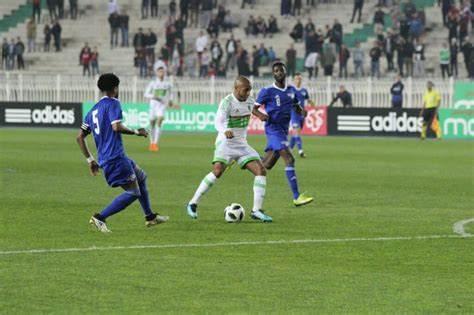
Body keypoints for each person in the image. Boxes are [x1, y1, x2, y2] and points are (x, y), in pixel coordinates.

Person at [77, 73, 169, 232]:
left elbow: (80, 137)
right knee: (134, 192)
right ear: (115, 88)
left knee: (141, 177)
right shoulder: (113, 103)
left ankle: (150, 217)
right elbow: (116, 127)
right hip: (115, 158)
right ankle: (100, 217)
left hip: (112, 157)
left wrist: (90, 160)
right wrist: (136, 132)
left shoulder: (92, 111)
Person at [186, 76, 271, 222]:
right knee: (218, 171)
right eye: (246, 90)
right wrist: (225, 130)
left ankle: (256, 210)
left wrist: (261, 115)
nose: (248, 92)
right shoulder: (227, 102)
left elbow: (253, 109)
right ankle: (192, 203)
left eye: (250, 89)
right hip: (226, 143)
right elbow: (217, 121)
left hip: (242, 144)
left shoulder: (250, 100)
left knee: (261, 171)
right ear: (236, 88)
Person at [252, 61, 314, 207]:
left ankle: (243, 156)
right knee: (290, 158)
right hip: (273, 129)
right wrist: (261, 115)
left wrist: (302, 112)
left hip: (283, 131)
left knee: (267, 164)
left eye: (281, 70)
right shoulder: (267, 91)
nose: (279, 73)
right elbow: (253, 108)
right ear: (273, 74)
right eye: (276, 71)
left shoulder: (291, 90)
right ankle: (297, 197)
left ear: (285, 73)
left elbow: (296, 106)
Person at [144, 67, 174, 152]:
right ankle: (152, 142)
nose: (161, 73)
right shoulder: (153, 83)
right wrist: (152, 96)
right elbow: (146, 94)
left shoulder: (167, 83)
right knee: (152, 123)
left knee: (160, 121)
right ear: (157, 73)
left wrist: (171, 100)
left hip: (161, 106)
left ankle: (155, 143)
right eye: (160, 72)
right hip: (153, 106)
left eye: (162, 72)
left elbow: (171, 92)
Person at [290, 73, 314, 158]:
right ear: (294, 80)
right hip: (294, 113)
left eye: (299, 79)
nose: (298, 80)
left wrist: (313, 104)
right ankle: (301, 151)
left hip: (302, 115)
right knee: (296, 131)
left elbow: (309, 99)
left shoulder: (304, 90)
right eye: (296, 79)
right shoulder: (291, 90)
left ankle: (289, 149)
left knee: (296, 133)